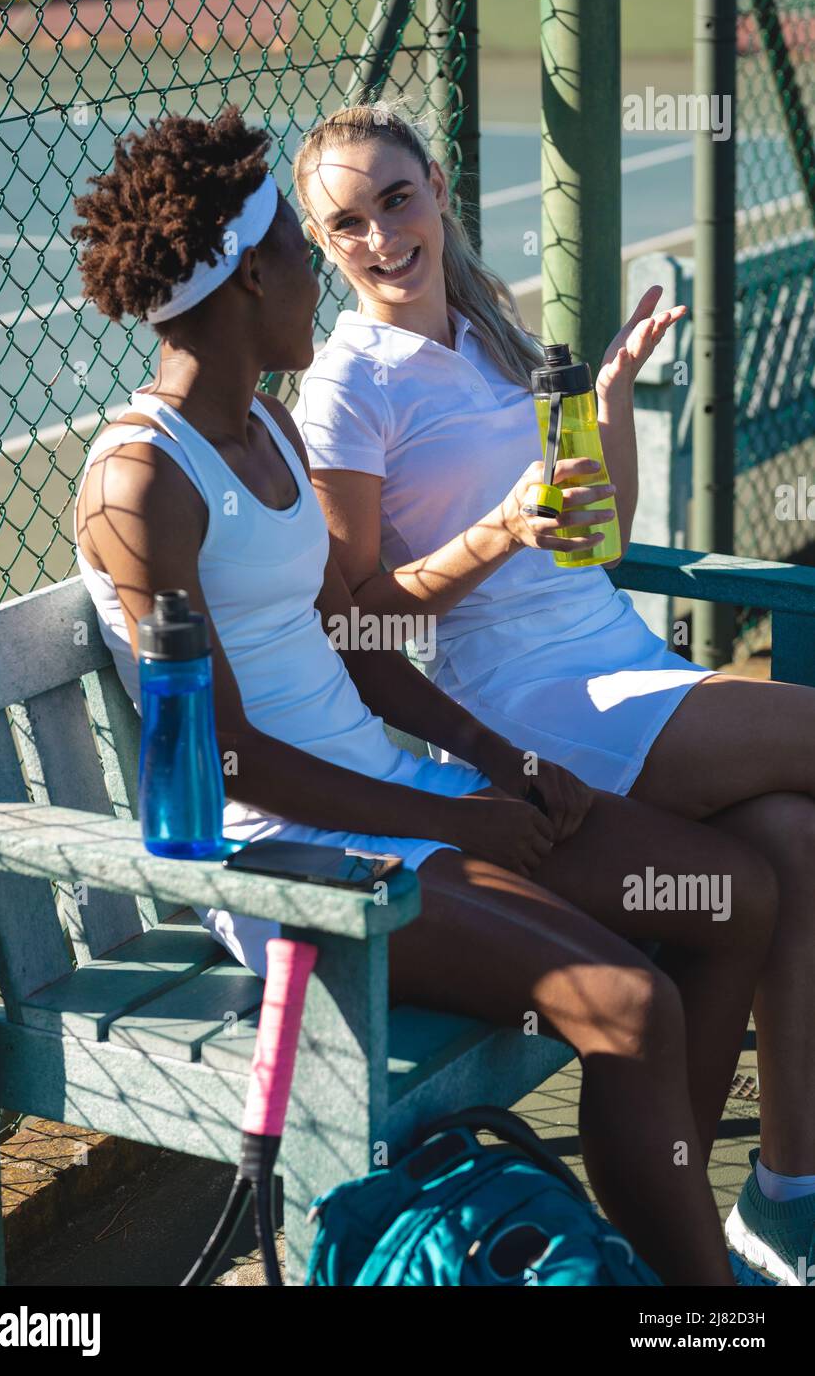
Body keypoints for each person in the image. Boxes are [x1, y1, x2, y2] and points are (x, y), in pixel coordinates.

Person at [71, 104, 780, 1286]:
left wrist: (494, 760)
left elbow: (349, 636)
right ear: (252, 278)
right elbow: (225, 759)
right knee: (631, 1005)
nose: (328, 267)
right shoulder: (140, 481)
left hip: (399, 801)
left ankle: (652, 1239)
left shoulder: (263, 430)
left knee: (733, 892)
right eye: (309, 245)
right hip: (286, 859)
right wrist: (451, 818)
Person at [291, 99, 815, 1285]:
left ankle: (772, 1203)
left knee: (793, 838)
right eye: (345, 224)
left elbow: (596, 532)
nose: (378, 236)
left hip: (616, 653)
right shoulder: (345, 388)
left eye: (394, 199)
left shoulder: (489, 325)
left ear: (434, 184)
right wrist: (489, 532)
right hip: (527, 700)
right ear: (322, 246)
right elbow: (355, 619)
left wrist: (615, 392)